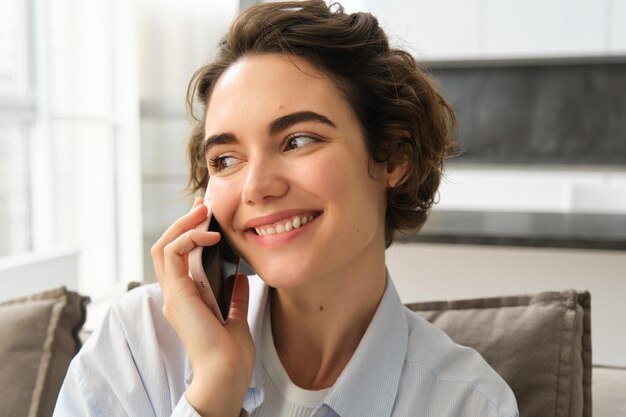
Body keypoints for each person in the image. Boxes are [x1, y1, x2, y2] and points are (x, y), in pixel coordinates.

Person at [54, 1, 519, 416]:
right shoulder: (139, 346)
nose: (256, 187)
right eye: (226, 160)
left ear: (395, 155)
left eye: (298, 140)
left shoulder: (467, 403)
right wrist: (214, 388)